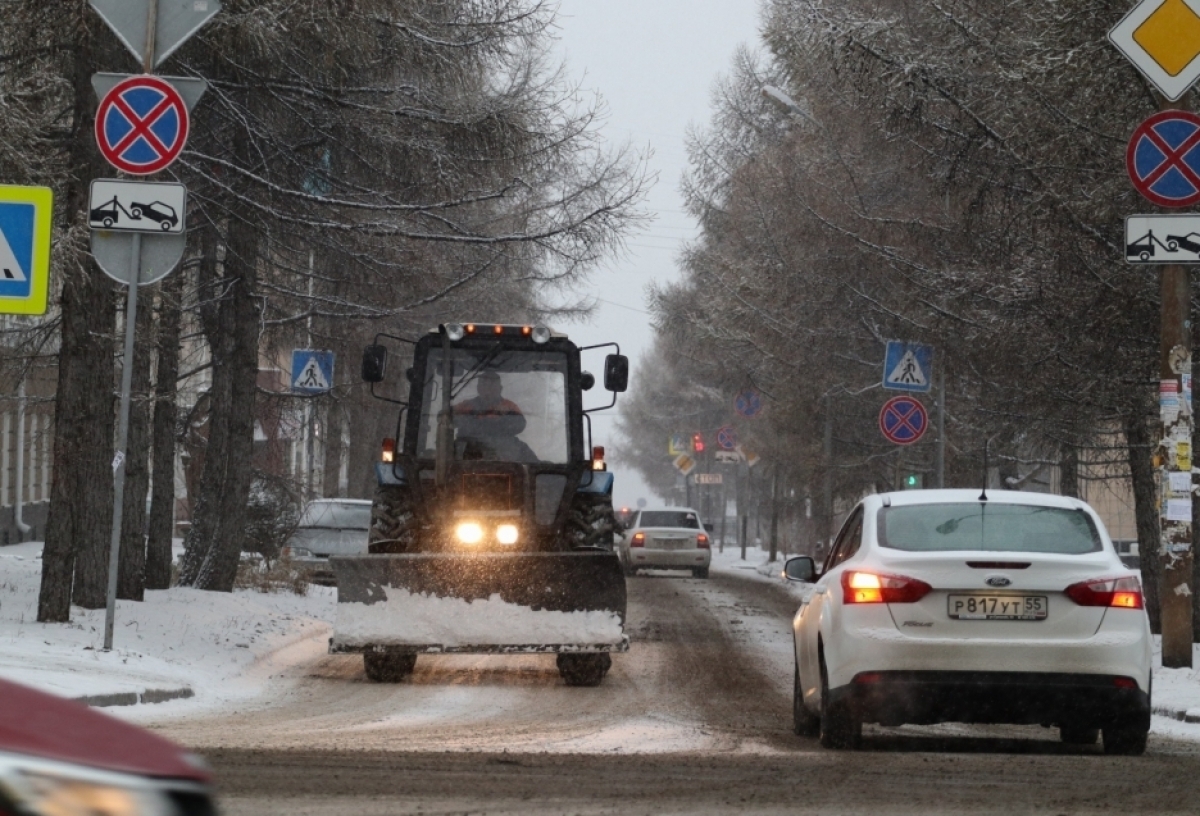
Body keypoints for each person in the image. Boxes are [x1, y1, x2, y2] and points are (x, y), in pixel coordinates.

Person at [453, 370, 529, 459]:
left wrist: (503, 420)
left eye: (492, 386)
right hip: (468, 451)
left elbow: (520, 424)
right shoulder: (466, 406)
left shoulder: (508, 407)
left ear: (500, 389)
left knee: (530, 460)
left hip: (503, 454)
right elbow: (445, 417)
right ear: (478, 388)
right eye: (485, 385)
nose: (488, 390)